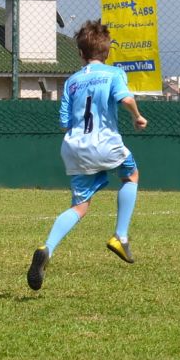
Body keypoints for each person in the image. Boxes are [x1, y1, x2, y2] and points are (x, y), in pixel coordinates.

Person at [27, 19, 148, 292]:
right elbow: (125, 98)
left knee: (80, 206)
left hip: (74, 146)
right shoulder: (114, 73)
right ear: (107, 52)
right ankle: (120, 236)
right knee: (130, 175)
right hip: (105, 142)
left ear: (80, 53)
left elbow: (63, 122)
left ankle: (47, 247)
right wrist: (138, 116)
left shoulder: (71, 81)